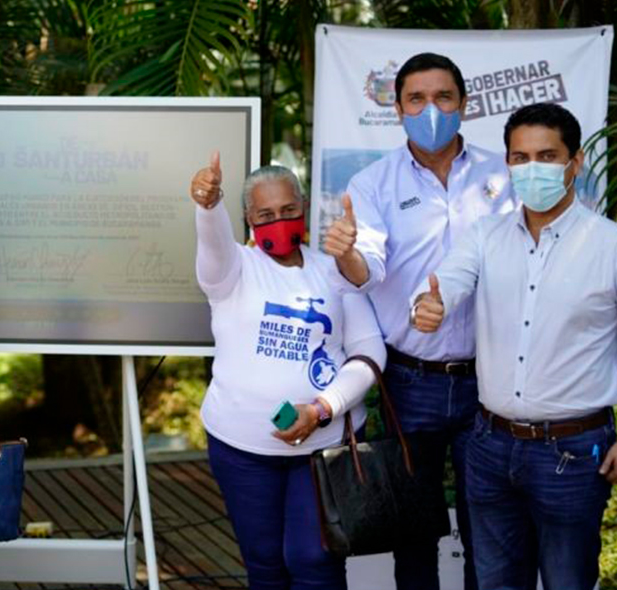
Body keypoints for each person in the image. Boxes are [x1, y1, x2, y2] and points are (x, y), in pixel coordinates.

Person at [321, 52, 517, 590]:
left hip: (491, 378)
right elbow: (369, 265)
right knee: (413, 531)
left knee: (489, 526)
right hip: (410, 382)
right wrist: (345, 255)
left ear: (464, 103)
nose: (431, 109)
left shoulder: (504, 175)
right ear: (397, 108)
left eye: (443, 97)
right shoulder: (372, 184)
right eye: (416, 99)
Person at [412, 102, 617, 590]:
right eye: (520, 158)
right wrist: (429, 304)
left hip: (572, 452)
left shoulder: (609, 245)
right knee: (496, 583)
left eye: (546, 155)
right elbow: (446, 283)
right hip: (489, 447)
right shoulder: (486, 236)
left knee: (569, 582)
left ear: (576, 162)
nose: (532, 168)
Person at [190, 155, 386, 590]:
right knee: (264, 564)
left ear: (304, 207)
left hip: (321, 447)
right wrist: (207, 207)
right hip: (242, 451)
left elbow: (369, 351)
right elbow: (213, 248)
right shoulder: (233, 270)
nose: (279, 221)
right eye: (265, 215)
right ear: (248, 219)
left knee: (316, 560)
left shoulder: (333, 270)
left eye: (289, 211)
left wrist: (321, 408)